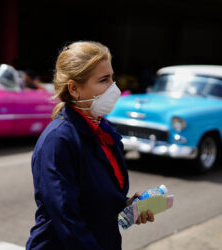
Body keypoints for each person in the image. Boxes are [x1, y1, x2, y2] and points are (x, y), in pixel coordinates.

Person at [26, 41, 154, 250]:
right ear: (74, 89)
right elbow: (67, 218)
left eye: (112, 78)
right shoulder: (59, 140)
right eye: (104, 80)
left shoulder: (104, 130)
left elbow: (97, 200)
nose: (114, 87)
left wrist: (128, 206)